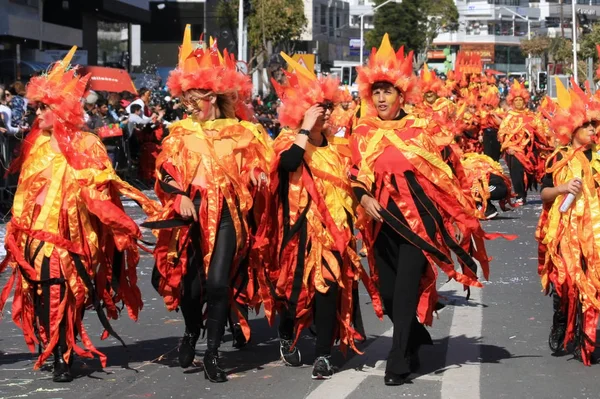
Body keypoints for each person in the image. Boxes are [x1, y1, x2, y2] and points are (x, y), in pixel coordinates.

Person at [350, 34, 504, 386]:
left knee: (404, 294)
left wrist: (460, 216)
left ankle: (399, 359)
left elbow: (449, 173)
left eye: (388, 90)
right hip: (380, 223)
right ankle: (415, 334)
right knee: (388, 295)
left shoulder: (422, 129)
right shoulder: (362, 131)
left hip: (419, 224)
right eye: (377, 91)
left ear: (401, 94)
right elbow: (355, 174)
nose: (382, 97)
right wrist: (363, 197)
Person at [0, 47, 159, 383]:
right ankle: (55, 343)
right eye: (36, 107)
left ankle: (62, 353)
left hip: (74, 235)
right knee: (44, 292)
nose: (38, 113)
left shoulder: (88, 144)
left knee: (67, 291)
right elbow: (25, 193)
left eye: (44, 107)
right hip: (36, 234)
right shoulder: (35, 145)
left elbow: (104, 188)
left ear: (62, 109)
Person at [144, 26, 273, 383]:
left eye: (194, 98)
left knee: (217, 282)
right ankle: (190, 331)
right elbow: (164, 171)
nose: (188, 106)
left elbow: (259, 162)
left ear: (212, 96)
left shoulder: (243, 131)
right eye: (184, 99)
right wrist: (181, 194)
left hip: (229, 213)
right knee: (190, 288)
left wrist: (259, 173)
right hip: (191, 214)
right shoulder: (180, 133)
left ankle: (213, 353)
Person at [268, 53, 378, 380]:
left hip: (332, 234)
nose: (322, 113)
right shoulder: (289, 141)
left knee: (328, 288)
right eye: (315, 107)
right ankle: (287, 332)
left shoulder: (337, 147)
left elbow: (353, 184)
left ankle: (323, 356)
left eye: (326, 107)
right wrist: (303, 128)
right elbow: (288, 165)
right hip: (296, 233)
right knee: (293, 293)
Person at [537, 79, 600, 366]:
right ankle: (561, 321)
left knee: (591, 284)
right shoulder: (559, 158)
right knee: (567, 284)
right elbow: (544, 193)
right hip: (565, 233)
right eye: (588, 125)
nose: (593, 130)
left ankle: (583, 339)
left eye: (595, 126)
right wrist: (563, 189)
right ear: (572, 128)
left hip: (595, 234)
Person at [498, 80, 549, 206]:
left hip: (529, 151)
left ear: (525, 101)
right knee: (516, 171)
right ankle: (519, 195)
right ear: (512, 102)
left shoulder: (532, 116)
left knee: (528, 174)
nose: (519, 102)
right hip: (513, 151)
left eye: (521, 100)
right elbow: (501, 133)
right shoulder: (509, 116)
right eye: (516, 100)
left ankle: (524, 193)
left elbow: (541, 132)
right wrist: (508, 146)